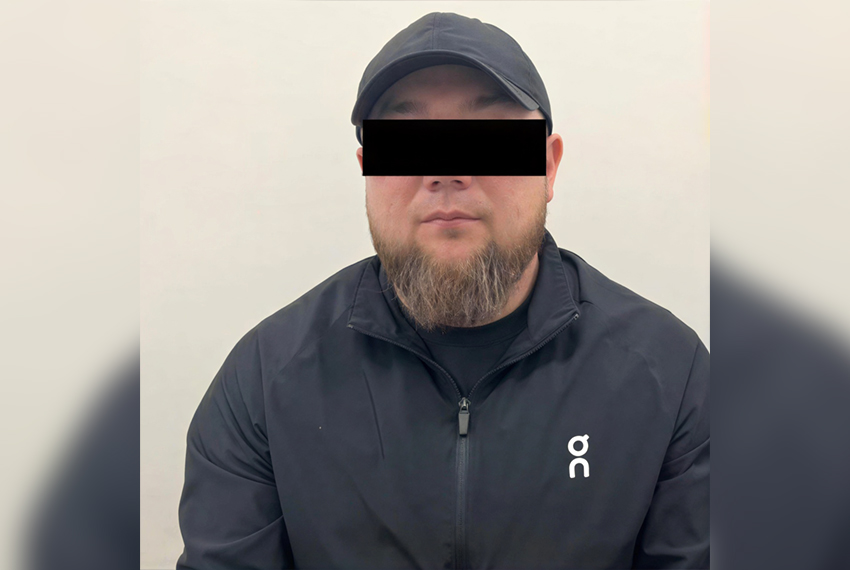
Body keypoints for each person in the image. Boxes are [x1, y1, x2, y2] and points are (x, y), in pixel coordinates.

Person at [176, 11, 709, 570]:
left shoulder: (669, 378)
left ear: (548, 167)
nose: (447, 170)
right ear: (367, 170)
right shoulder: (265, 382)